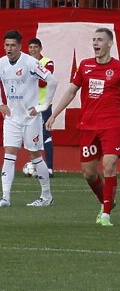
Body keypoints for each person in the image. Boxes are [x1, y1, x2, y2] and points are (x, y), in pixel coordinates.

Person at [46, 28, 120, 226]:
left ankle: (105, 215)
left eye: (100, 40)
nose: (95, 43)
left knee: (110, 164)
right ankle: (106, 201)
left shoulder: (118, 68)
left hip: (112, 124)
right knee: (89, 173)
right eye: (94, 40)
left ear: (110, 44)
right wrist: (54, 114)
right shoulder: (85, 66)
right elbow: (71, 91)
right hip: (88, 126)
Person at [0, 30, 58, 208]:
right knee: (9, 153)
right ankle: (5, 198)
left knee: (35, 155)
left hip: (30, 118)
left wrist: (42, 106)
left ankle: (46, 196)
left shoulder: (31, 63)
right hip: (12, 117)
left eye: (12, 45)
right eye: (6, 45)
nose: (9, 48)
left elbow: (52, 81)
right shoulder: (0, 64)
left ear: (20, 46)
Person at [27, 37, 55, 175]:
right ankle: (35, 165)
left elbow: (44, 82)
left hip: (43, 105)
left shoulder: (47, 62)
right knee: (30, 135)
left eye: (35, 47)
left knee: (46, 135)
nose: (33, 50)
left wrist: (29, 79)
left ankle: (49, 167)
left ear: (40, 48)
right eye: (31, 47)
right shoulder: (25, 62)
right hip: (29, 105)